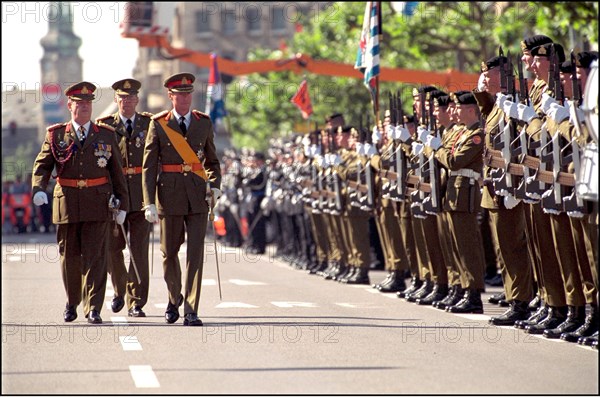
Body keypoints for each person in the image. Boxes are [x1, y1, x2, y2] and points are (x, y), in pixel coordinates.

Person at [31, 81, 129, 324]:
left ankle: (93, 307)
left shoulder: (105, 134)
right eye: (80, 103)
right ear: (70, 105)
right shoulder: (56, 134)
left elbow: (117, 173)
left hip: (98, 203)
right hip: (67, 204)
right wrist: (38, 189)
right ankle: (72, 300)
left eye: (88, 103)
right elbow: (42, 165)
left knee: (96, 257)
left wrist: (123, 205)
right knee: (70, 257)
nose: (85, 107)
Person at [142, 73, 221, 326]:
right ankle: (174, 297)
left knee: (195, 254)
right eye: (180, 94)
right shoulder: (159, 124)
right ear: (171, 96)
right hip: (169, 195)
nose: (185, 98)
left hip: (198, 197)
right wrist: (149, 202)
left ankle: (191, 309)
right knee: (169, 253)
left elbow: (212, 161)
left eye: (188, 94)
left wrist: (215, 186)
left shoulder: (203, 122)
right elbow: (149, 166)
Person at [97, 78, 153, 317]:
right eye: (123, 98)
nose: (127, 102)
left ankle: (136, 302)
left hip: (140, 195)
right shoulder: (105, 127)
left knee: (139, 250)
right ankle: (120, 290)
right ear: (116, 100)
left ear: (137, 100)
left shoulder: (149, 124)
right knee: (113, 248)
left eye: (131, 98)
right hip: (117, 197)